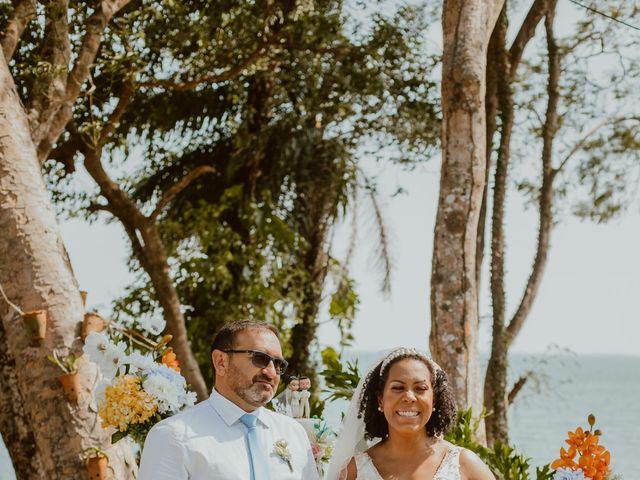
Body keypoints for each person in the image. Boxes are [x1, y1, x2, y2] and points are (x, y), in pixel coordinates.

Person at [138, 320, 319, 479]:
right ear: (221, 362)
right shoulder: (173, 436)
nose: (271, 372)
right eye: (260, 358)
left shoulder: (294, 433)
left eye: (278, 364)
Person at [326, 347, 495, 480]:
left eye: (420, 388)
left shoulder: (464, 463)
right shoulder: (355, 471)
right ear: (380, 401)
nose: (408, 397)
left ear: (434, 400)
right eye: (398, 388)